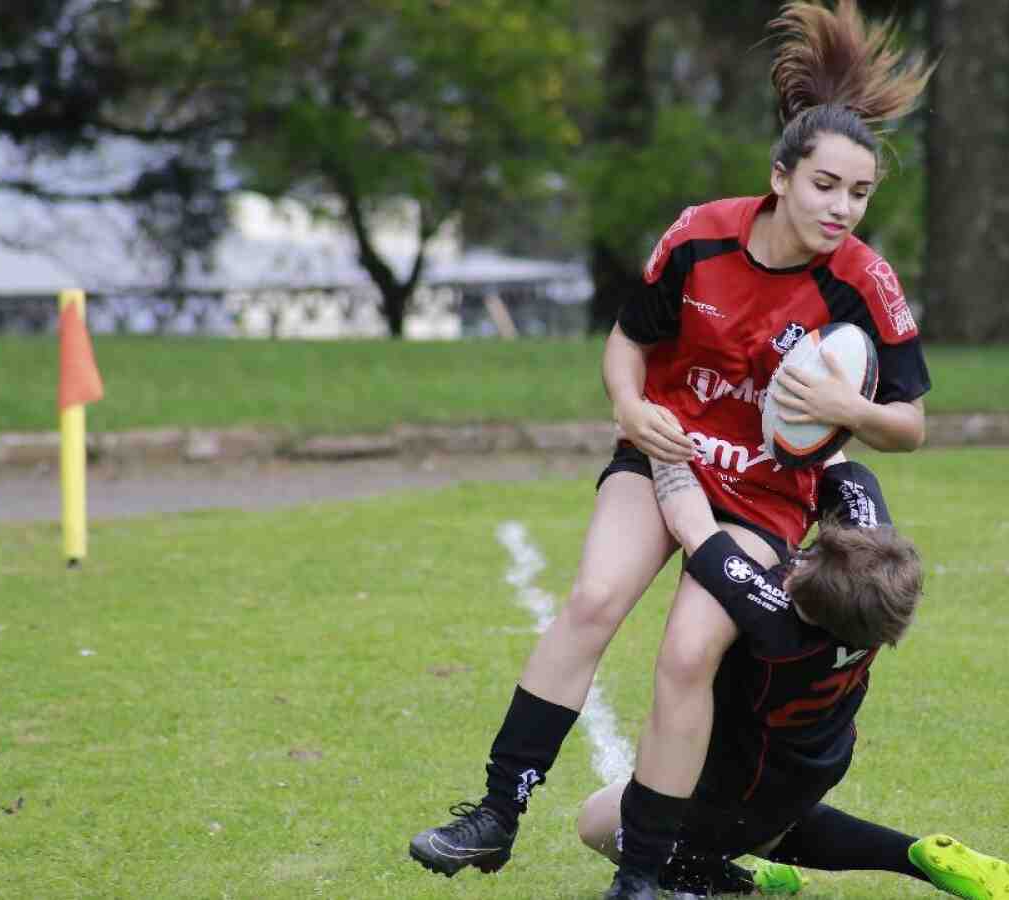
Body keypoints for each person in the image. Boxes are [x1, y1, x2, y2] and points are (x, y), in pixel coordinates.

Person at [409, 0, 933, 886]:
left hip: (768, 493)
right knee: (593, 599)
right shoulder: (698, 238)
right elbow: (627, 341)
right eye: (825, 186)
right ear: (781, 176)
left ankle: (643, 872)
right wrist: (629, 406)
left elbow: (911, 427)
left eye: (860, 192)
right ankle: (495, 814)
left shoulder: (864, 283)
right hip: (664, 455)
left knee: (689, 653)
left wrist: (850, 403)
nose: (842, 207)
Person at [580, 458, 1009, 900]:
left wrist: (658, 439)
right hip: (819, 756)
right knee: (771, 822)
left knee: (600, 823)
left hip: (741, 783)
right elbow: (843, 465)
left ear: (803, 598)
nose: (796, 562)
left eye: (803, 564)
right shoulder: (875, 573)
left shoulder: (771, 620)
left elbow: (691, 522)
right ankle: (911, 853)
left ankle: (754, 882)